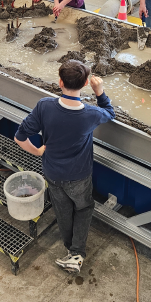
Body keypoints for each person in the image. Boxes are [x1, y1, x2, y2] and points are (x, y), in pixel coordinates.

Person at [14, 60, 115, 273]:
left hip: (52, 173)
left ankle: (69, 247)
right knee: (84, 207)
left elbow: (20, 137)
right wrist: (100, 92)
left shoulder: (44, 106)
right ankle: (77, 252)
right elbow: (110, 112)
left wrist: (39, 151)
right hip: (79, 176)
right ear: (86, 83)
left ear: (60, 82)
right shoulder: (91, 114)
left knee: (62, 210)